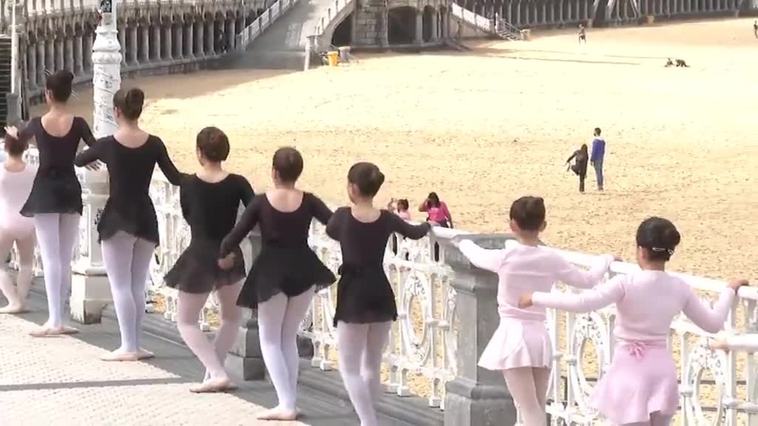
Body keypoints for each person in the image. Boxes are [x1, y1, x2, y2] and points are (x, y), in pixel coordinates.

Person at [519, 217, 749, 426]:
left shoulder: (626, 283)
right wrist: (729, 291)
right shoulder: (680, 287)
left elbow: (583, 303)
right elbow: (713, 323)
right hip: (661, 371)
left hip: (630, 370)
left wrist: (535, 297)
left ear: (640, 250)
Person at [450, 196, 614, 426]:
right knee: (536, 405)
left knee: (528, 409)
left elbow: (477, 255)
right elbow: (586, 280)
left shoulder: (506, 257)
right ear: (543, 225)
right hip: (538, 335)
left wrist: (461, 242)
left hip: (513, 335)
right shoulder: (551, 258)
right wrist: (605, 260)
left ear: (512, 225)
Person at [218, 147, 335, 420]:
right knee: (287, 338)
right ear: (298, 172)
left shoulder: (261, 202)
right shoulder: (309, 200)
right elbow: (334, 225)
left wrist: (224, 255)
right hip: (304, 270)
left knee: (269, 338)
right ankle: (289, 400)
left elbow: (234, 236)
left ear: (274, 172)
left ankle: (286, 403)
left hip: (271, 272)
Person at [74, 88, 183, 361]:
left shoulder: (108, 144)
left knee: (120, 284)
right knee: (136, 284)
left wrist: (94, 161)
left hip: (118, 215)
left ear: (116, 112)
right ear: (139, 110)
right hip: (145, 215)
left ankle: (128, 346)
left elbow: (79, 159)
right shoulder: (154, 143)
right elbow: (175, 177)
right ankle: (135, 343)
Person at [326, 162, 431, 426]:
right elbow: (415, 232)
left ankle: (368, 420)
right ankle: (369, 416)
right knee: (371, 364)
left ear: (352, 187)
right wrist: (431, 225)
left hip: (353, 292)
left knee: (349, 367)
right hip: (380, 290)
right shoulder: (387, 218)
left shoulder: (342, 215)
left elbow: (330, 230)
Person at [4, 70, 96, 337]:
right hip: (70, 189)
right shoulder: (78, 123)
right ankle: (62, 317)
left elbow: (15, 145)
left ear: (48, 94)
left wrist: (11, 132)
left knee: (50, 257)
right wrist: (83, 160)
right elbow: (93, 149)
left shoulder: (36, 123)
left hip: (45, 191)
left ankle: (54, 319)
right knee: (65, 257)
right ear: (68, 94)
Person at [164, 127, 254, 392]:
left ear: (199, 152)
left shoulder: (189, 183)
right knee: (231, 318)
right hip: (229, 253)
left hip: (200, 251)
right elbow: (252, 214)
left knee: (186, 320)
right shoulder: (238, 182)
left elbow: (189, 215)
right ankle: (215, 369)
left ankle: (215, 371)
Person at [0, 133, 37, 314]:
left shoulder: (1, 171)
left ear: (6, 147)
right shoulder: (32, 170)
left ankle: (12, 300)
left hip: (5, 220)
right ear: (25, 148)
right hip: (28, 220)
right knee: (26, 263)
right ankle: (21, 300)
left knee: (0, 264)